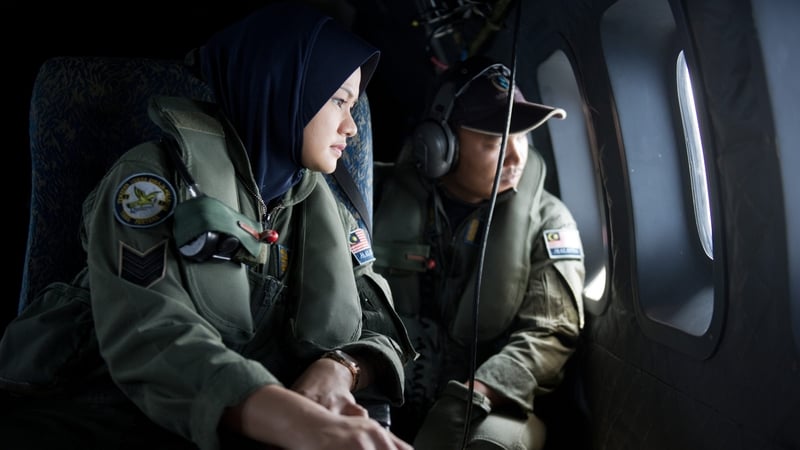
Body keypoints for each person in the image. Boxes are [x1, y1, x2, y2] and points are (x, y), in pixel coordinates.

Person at [0, 3, 415, 450]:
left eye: (354, 106)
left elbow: (382, 327)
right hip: (109, 412)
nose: (352, 127)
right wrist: (304, 424)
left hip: (253, 420)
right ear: (281, 87)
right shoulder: (153, 181)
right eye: (338, 100)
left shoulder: (327, 206)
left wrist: (337, 371)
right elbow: (151, 333)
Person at [372, 55, 586, 450]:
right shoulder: (375, 196)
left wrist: (477, 391)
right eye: (494, 143)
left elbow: (550, 331)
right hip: (382, 378)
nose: (516, 157)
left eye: (521, 137)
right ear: (441, 145)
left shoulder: (548, 220)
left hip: (489, 401)